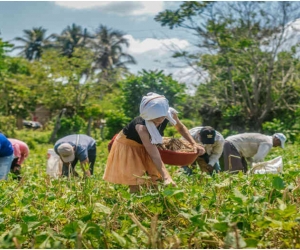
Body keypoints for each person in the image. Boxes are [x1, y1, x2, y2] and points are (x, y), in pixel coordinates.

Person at [103, 92, 205, 193]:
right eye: (155, 120)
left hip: (147, 144)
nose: (159, 121)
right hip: (129, 145)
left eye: (161, 118)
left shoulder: (170, 114)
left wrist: (194, 144)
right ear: (147, 116)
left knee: (154, 179)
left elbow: (180, 127)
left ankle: (154, 203)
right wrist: (167, 177)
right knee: (137, 180)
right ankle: (134, 204)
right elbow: (154, 154)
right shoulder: (141, 128)